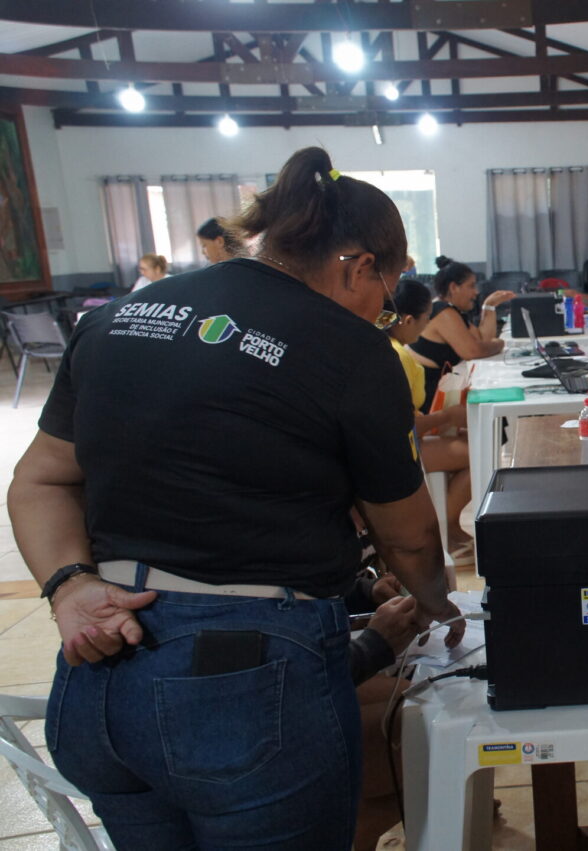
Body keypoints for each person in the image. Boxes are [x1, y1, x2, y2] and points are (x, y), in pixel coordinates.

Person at [8, 146, 464, 850]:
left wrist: (69, 586)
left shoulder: (118, 319)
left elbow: (38, 480)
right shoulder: (349, 349)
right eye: (390, 283)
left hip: (97, 677)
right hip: (241, 691)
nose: (383, 310)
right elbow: (407, 537)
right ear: (357, 266)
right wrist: (438, 605)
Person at [388, 277, 473, 560]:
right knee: (475, 454)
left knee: (467, 442)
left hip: (409, 439)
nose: (426, 329)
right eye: (425, 321)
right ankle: (444, 526)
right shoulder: (397, 356)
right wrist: (447, 415)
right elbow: (401, 425)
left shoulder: (393, 349)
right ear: (408, 320)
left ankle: (448, 525)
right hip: (401, 448)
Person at [409, 255, 516, 404]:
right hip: (429, 396)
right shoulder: (443, 312)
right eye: (471, 286)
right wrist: (500, 343)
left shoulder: (451, 310)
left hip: (440, 388)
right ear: (454, 287)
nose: (476, 292)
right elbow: (473, 351)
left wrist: (489, 306)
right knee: (492, 401)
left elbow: (482, 339)